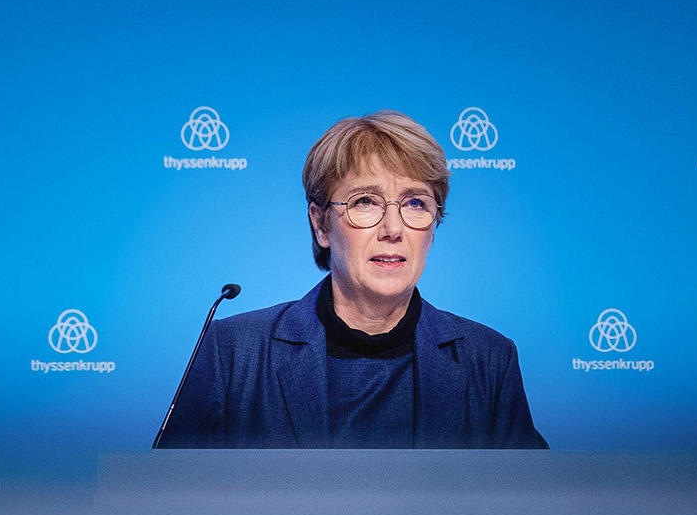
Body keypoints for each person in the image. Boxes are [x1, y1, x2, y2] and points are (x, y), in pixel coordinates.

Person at [154, 111, 546, 448]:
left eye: (415, 202)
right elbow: (167, 498)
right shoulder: (233, 352)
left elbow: (530, 504)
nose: (393, 229)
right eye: (365, 202)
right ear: (321, 224)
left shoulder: (489, 360)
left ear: (434, 225)